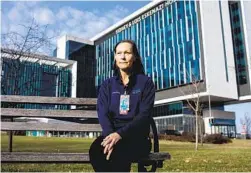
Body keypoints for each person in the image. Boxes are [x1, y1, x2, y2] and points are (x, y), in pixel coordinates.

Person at [89, 40, 155, 172]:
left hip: (137, 137)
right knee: (96, 150)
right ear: (115, 57)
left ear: (135, 56)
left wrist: (120, 135)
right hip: (110, 135)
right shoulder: (107, 85)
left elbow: (144, 115)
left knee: (118, 152)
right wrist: (110, 136)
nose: (123, 57)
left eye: (127, 53)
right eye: (119, 53)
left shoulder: (145, 83)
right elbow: (102, 112)